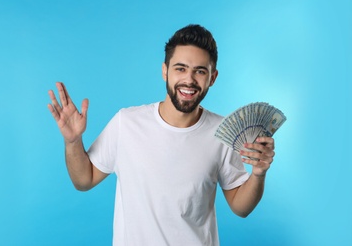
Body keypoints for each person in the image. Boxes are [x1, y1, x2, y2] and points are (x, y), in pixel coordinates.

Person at [48, 24, 276, 246]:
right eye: (180, 68)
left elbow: (240, 207)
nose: (189, 80)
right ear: (165, 71)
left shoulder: (222, 132)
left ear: (212, 78)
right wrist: (73, 141)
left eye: (200, 71)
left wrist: (258, 174)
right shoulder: (126, 123)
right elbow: (83, 180)